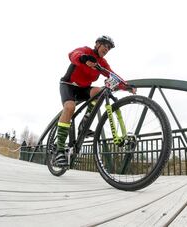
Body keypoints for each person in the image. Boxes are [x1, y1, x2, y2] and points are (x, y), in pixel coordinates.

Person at [55, 35, 134, 167]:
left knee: (99, 91)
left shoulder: (102, 63)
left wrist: (126, 86)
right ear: (97, 44)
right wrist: (83, 58)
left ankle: (84, 125)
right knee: (69, 107)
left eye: (109, 48)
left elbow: (112, 75)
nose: (107, 49)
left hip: (84, 89)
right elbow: (73, 54)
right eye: (105, 45)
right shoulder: (86, 51)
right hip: (68, 85)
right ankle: (59, 150)